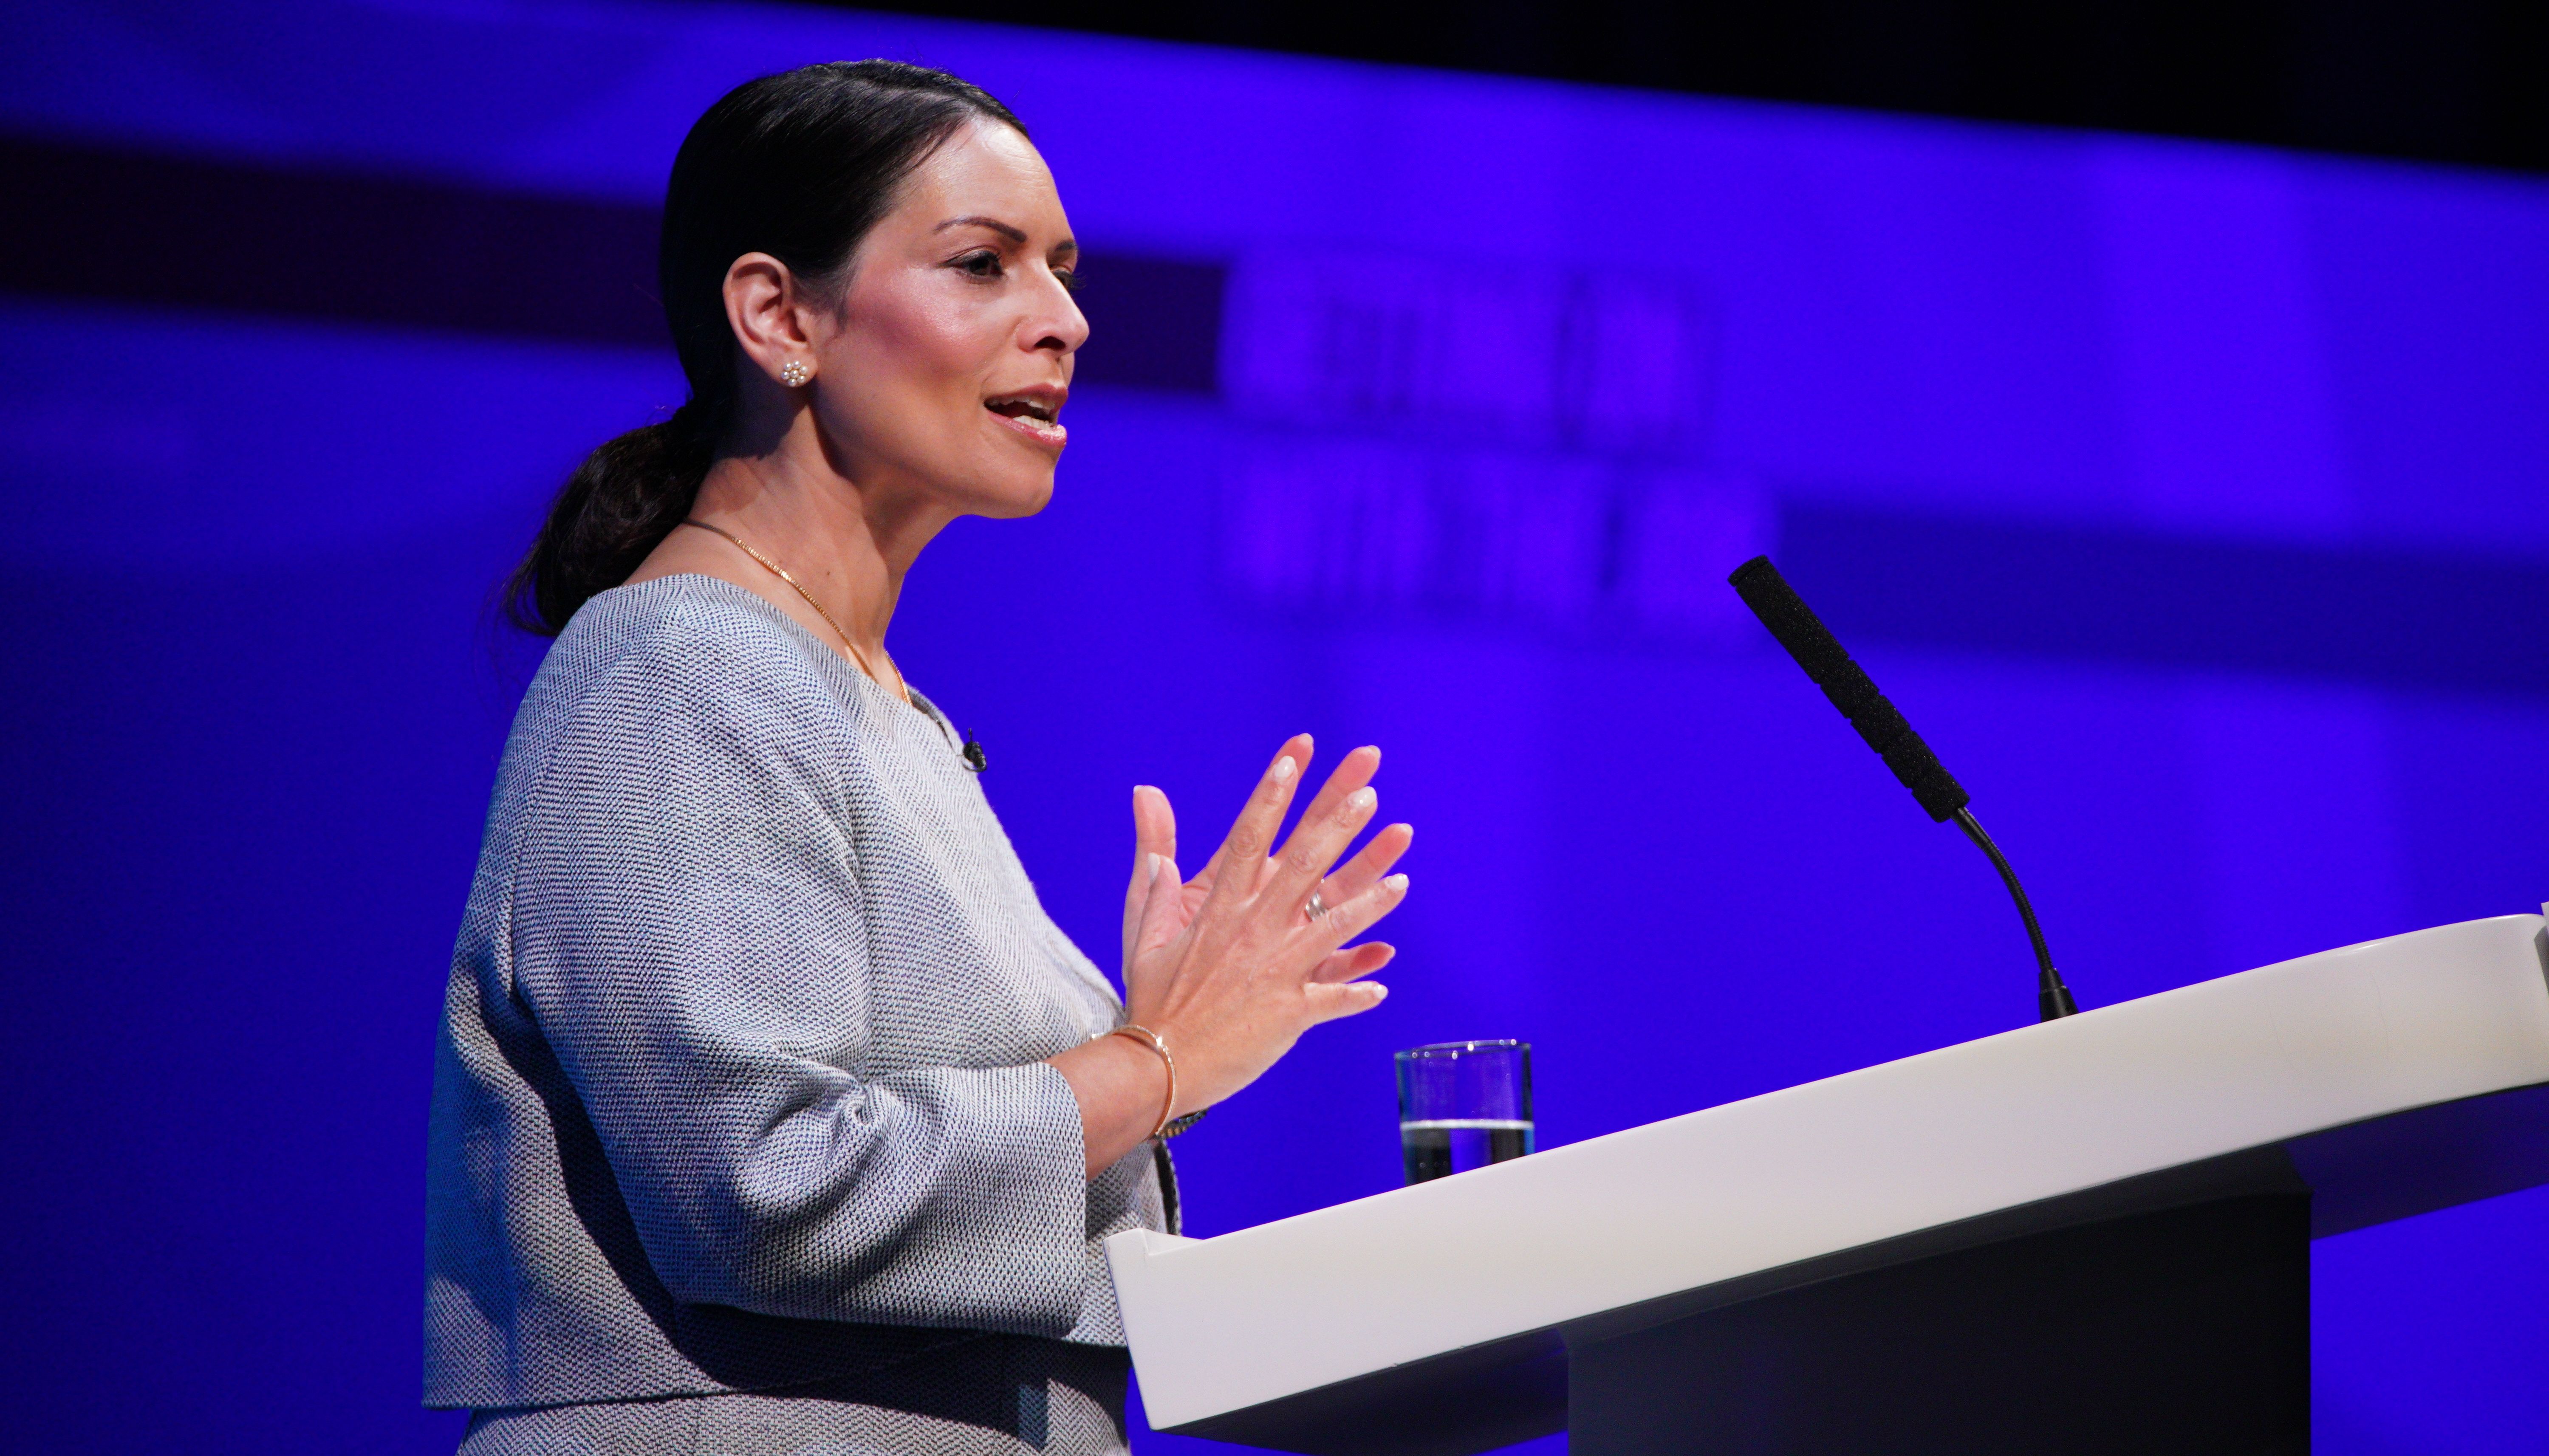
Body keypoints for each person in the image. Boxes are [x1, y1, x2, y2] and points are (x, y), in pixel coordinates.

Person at [424, 60, 1413, 1455]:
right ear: (780, 316)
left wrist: (1146, 1043)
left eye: (1063, 270)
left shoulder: (874, 704)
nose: (1065, 320)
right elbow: (758, 1190)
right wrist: (1156, 1060)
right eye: (984, 264)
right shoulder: (678, 669)